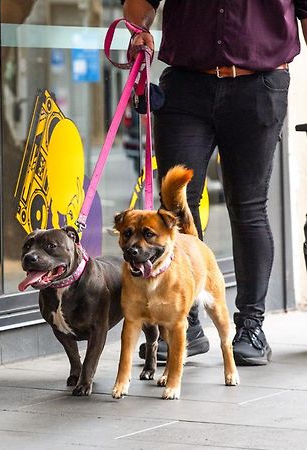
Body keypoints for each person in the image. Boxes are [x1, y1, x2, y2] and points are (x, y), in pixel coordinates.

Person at [122, 0, 307, 366]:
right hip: (186, 85)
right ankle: (184, 322)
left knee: (248, 207)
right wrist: (139, 30)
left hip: (259, 84)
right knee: (175, 205)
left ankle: (251, 326)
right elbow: (139, 3)